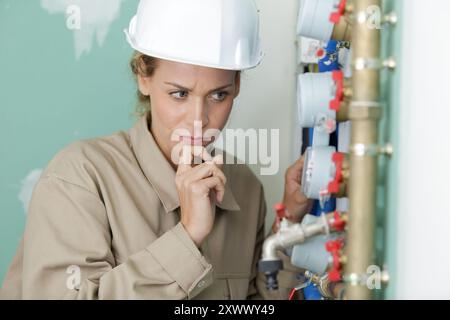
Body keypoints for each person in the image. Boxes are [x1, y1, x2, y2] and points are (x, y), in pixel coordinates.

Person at [0, 0, 312, 299]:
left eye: (219, 95)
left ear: (237, 87)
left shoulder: (243, 188)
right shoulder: (78, 179)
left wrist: (290, 221)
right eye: (179, 94)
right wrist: (187, 237)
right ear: (143, 77)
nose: (198, 120)